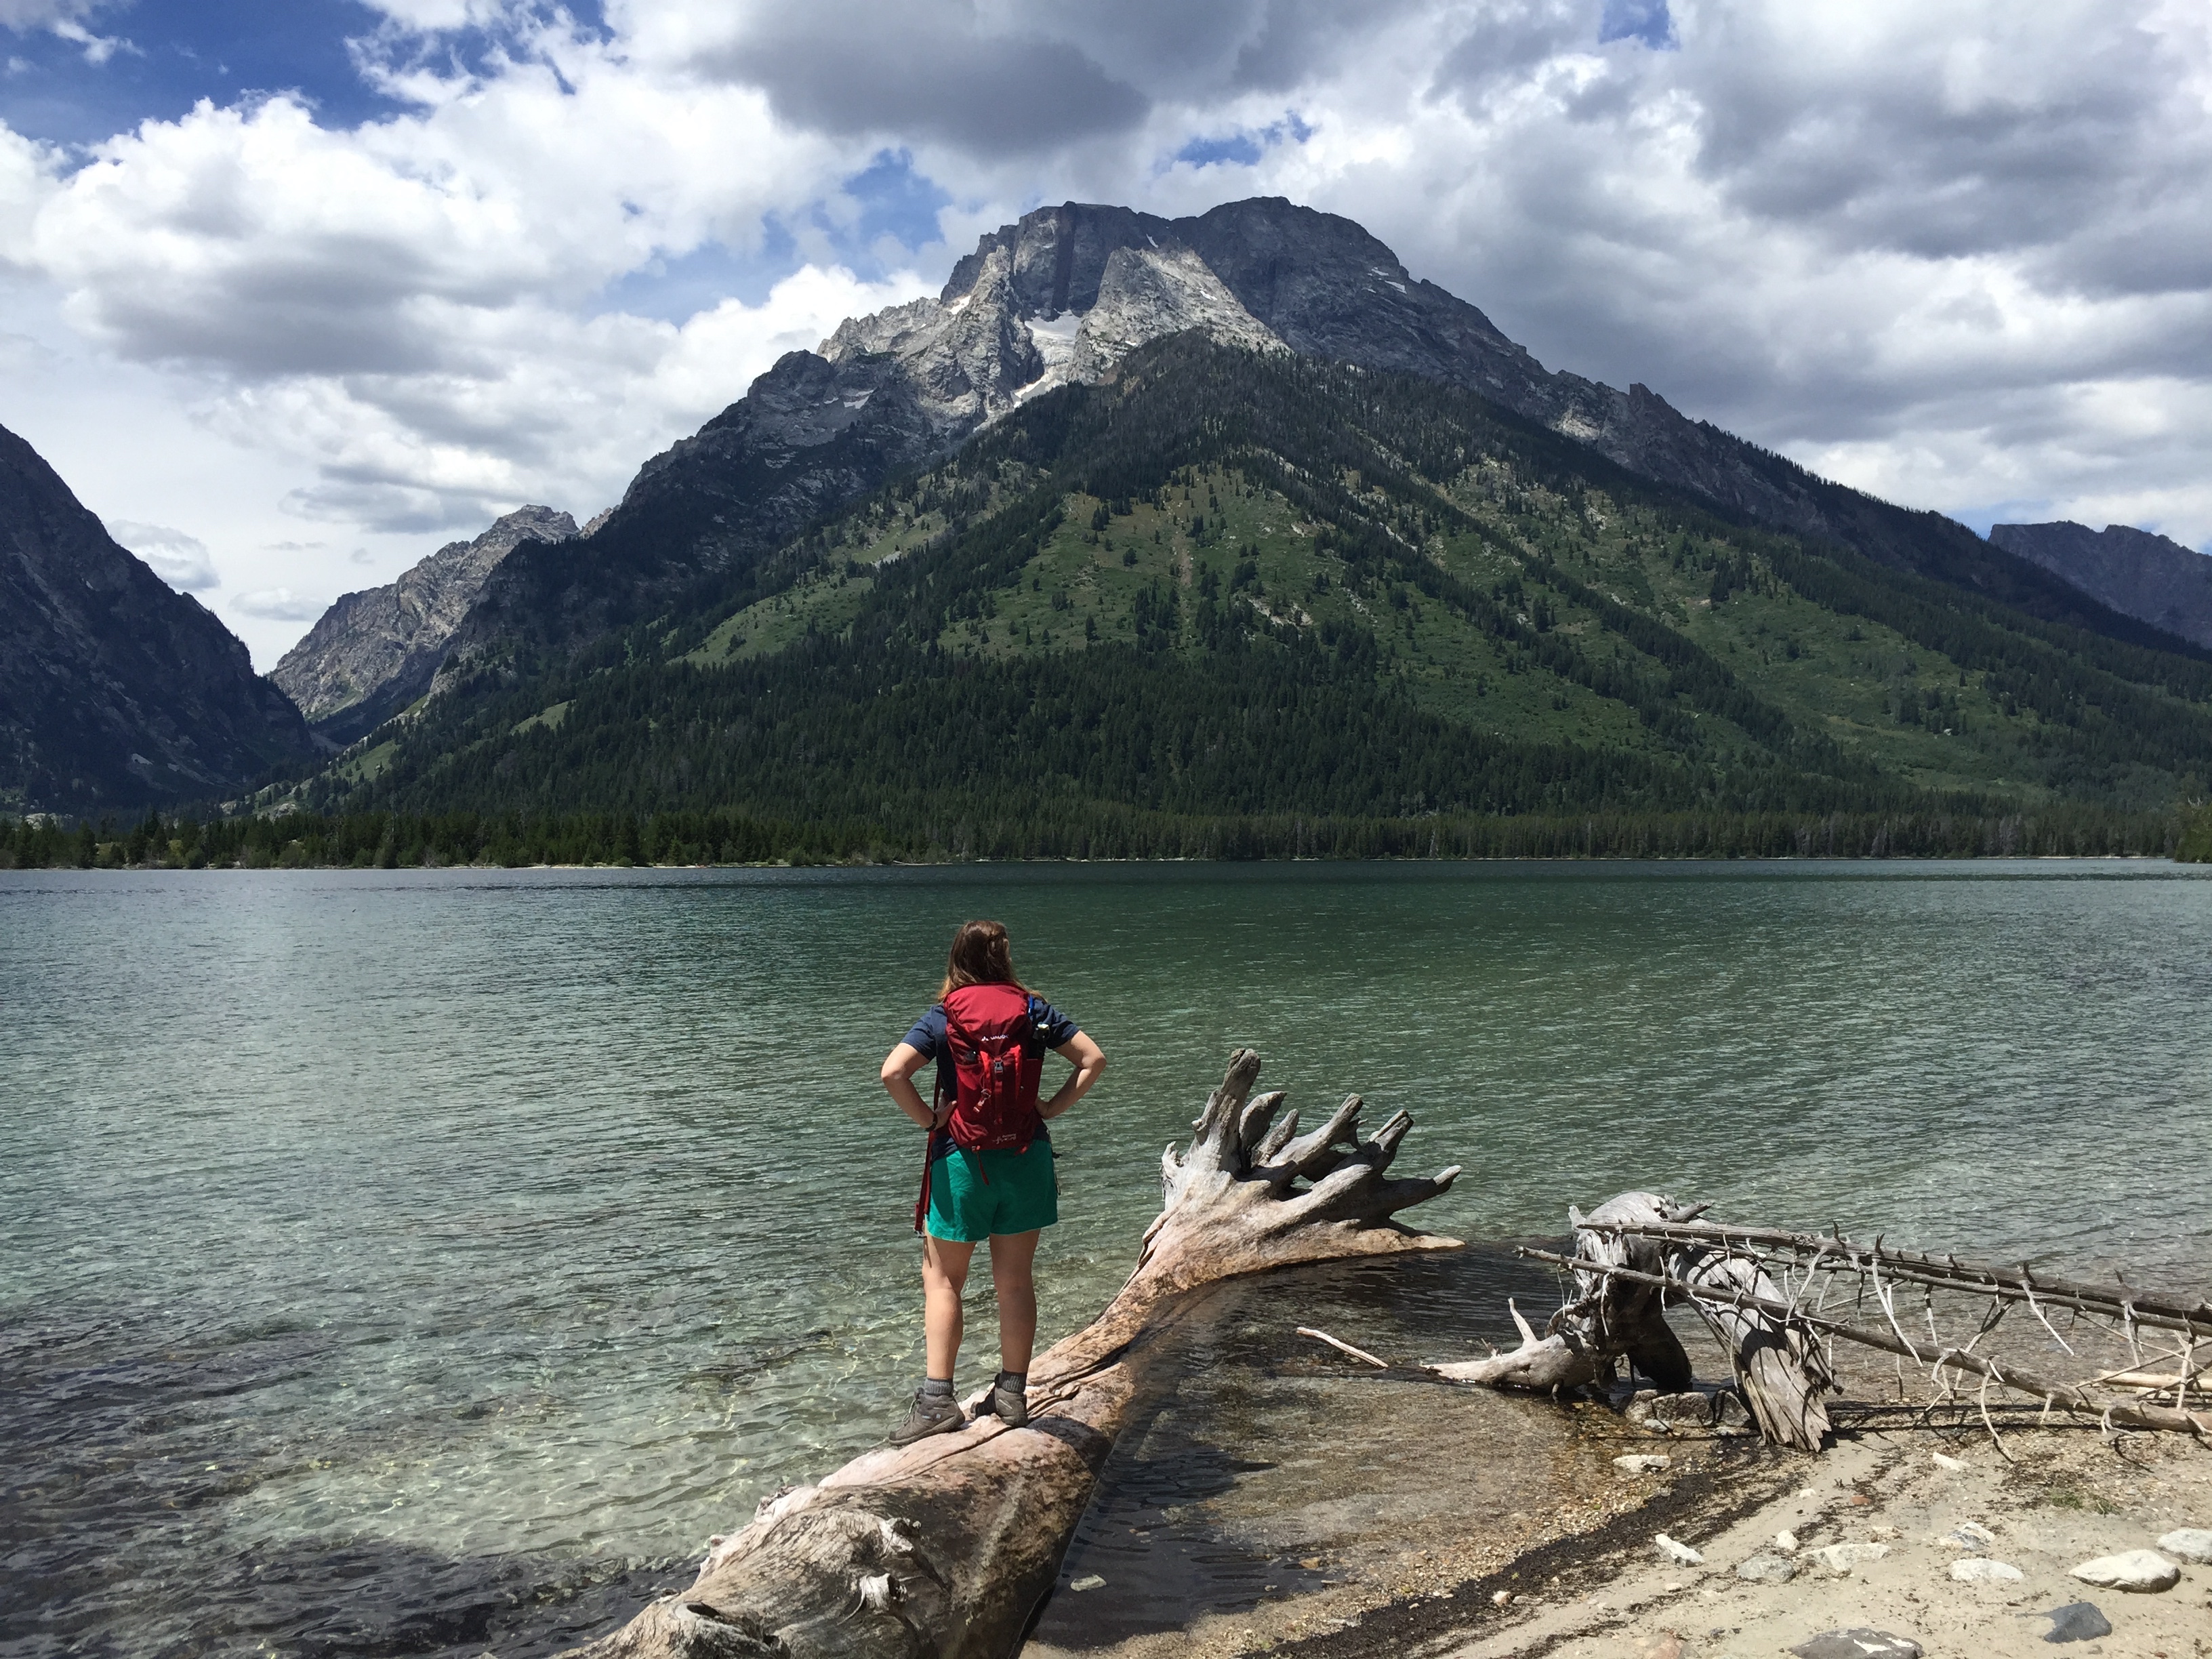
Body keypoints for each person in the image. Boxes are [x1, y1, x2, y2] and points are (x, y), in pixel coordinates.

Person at [879, 919, 1107, 1445]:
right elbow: (1094, 1060)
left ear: (956, 960)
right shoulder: (1033, 1011)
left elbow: (893, 1073)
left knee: (943, 1282)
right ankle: (1012, 1395)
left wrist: (929, 1120)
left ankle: (938, 1401)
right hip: (1026, 1159)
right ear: (1004, 960)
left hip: (961, 1163)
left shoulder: (945, 1015)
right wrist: (1051, 1106)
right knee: (1015, 1283)